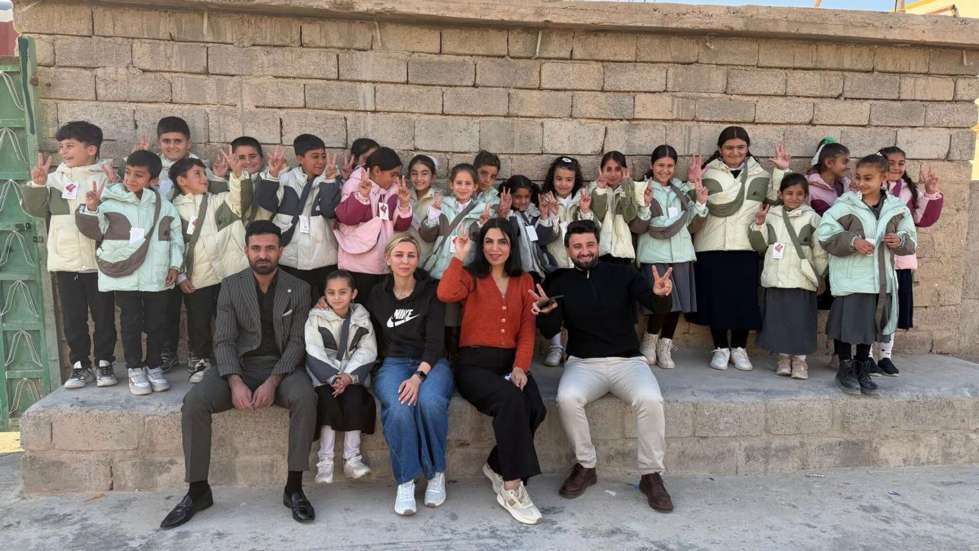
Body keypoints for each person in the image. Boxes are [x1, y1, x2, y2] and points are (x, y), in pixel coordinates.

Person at [161, 221, 317, 529]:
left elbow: (298, 342)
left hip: (282, 368)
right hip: (238, 365)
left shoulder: (298, 288)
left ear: (280, 251)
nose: (263, 254)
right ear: (246, 250)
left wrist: (273, 381)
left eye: (270, 248)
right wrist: (234, 381)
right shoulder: (231, 286)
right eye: (256, 248)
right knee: (194, 402)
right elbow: (223, 340)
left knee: (305, 398)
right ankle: (198, 490)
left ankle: (294, 488)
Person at [535, 219, 676, 513]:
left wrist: (662, 295)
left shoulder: (623, 273)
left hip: (628, 361)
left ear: (597, 245)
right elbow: (549, 328)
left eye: (589, 244)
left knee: (651, 399)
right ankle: (586, 466)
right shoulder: (559, 281)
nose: (584, 251)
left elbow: (654, 304)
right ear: (568, 250)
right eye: (577, 246)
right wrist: (546, 313)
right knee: (567, 397)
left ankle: (651, 475)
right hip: (583, 364)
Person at [437, 219, 546, 526]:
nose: (494, 248)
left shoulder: (524, 280)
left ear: (512, 246)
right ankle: (511, 486)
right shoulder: (471, 275)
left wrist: (520, 366)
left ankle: (497, 464)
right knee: (511, 400)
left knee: (535, 407)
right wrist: (458, 257)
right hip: (474, 364)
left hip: (510, 362)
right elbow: (446, 293)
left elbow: (527, 328)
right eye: (488, 241)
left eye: (502, 242)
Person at [74, 151, 184, 396]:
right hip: (124, 275)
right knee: (130, 323)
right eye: (128, 173)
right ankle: (134, 368)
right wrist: (91, 208)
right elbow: (94, 231)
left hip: (156, 275)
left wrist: (175, 266)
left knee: (157, 323)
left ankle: (154, 366)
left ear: (153, 180)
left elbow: (176, 239)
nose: (131, 179)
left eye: (139, 175)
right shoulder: (109, 202)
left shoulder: (164, 206)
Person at [23, 121, 117, 389]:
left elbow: (116, 216)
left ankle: (104, 362)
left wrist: (114, 187)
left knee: (104, 317)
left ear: (91, 149)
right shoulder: (54, 179)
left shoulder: (105, 177)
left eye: (70, 146)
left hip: (99, 263)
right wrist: (37, 184)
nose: (63, 151)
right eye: (61, 146)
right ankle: (79, 365)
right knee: (73, 319)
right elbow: (35, 210)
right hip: (66, 263)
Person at [689, 126, 790, 371]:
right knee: (716, 299)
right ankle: (720, 347)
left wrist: (781, 171)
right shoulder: (708, 172)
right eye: (729, 148)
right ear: (720, 149)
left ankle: (740, 348)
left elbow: (776, 199)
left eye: (740, 147)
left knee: (744, 300)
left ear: (747, 148)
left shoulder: (760, 173)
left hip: (745, 245)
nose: (735, 152)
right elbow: (692, 206)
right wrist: (693, 182)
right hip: (711, 244)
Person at [367, 234, 454, 516]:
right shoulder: (377, 294)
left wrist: (418, 377)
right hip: (393, 363)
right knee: (399, 407)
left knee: (430, 402)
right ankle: (406, 480)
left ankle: (436, 473)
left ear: (418, 260)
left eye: (411, 255)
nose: (405, 261)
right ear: (388, 259)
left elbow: (435, 342)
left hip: (431, 363)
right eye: (399, 255)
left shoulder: (431, 291)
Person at [816, 155, 916, 396]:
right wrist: (853, 242)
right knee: (846, 324)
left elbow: (911, 240)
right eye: (858, 177)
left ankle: (862, 367)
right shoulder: (845, 205)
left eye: (868, 178)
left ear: (884, 178)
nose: (861, 183)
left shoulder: (897, 209)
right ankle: (844, 367)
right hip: (851, 278)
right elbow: (825, 233)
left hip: (880, 280)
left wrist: (899, 240)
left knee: (870, 325)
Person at [135, 116, 226, 373]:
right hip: (161, 248)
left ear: (188, 143)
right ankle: (167, 352)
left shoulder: (201, 169)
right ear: (159, 142)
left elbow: (217, 199)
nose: (172, 146)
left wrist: (218, 177)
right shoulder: (153, 167)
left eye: (178, 141)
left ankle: (199, 354)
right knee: (165, 306)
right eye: (166, 141)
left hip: (195, 251)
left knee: (198, 308)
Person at [171, 151, 248, 383]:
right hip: (197, 276)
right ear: (182, 180)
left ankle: (235, 359)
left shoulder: (219, 200)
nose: (204, 178)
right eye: (197, 174)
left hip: (229, 273)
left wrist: (237, 175)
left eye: (205, 173)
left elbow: (241, 200)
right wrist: (180, 276)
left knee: (231, 319)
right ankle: (201, 360)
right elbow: (172, 244)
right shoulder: (173, 208)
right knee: (198, 320)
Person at [630, 145, 708, 369]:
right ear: (652, 165)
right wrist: (645, 206)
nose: (665, 170)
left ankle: (665, 345)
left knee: (677, 303)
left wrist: (700, 203)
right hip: (654, 253)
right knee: (660, 302)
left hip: (681, 253)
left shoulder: (681, 190)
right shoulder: (642, 189)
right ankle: (649, 341)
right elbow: (637, 227)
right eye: (660, 165)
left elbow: (691, 224)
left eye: (670, 166)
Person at [749, 173, 828, 380]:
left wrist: (819, 273)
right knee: (779, 320)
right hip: (776, 275)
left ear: (806, 196)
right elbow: (759, 246)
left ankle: (800, 360)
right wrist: (759, 224)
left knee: (801, 320)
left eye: (799, 194)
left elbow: (819, 249)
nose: (794, 197)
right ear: (780, 194)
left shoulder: (812, 218)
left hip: (802, 277)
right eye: (789, 193)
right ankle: (783, 358)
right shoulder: (771, 216)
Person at [875, 146, 944, 376]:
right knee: (872, 308)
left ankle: (885, 356)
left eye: (901, 163)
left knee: (893, 311)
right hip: (874, 260)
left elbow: (922, 219)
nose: (896, 167)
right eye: (891, 163)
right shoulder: (871, 187)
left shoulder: (908, 191)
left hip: (900, 261)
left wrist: (930, 193)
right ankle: (866, 357)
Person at [305, 270, 377, 484]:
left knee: (355, 400)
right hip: (324, 376)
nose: (337, 297)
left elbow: (367, 350)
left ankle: (352, 459)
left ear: (353, 294)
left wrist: (348, 376)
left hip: (351, 375)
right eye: (331, 292)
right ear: (324, 294)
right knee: (328, 402)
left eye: (343, 292)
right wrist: (333, 377)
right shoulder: (316, 318)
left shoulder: (362, 318)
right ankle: (325, 461)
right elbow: (314, 349)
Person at [256, 134, 342, 300]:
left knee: (322, 304)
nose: (321, 161)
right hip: (290, 257)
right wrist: (272, 175)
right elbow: (267, 203)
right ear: (300, 159)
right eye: (315, 157)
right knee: (291, 303)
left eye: (323, 156)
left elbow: (328, 210)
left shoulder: (331, 179)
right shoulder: (285, 179)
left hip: (322, 257)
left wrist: (330, 181)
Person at [334, 147, 413, 303]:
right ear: (377, 171)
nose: (395, 179)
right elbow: (347, 218)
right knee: (360, 309)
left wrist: (404, 204)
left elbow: (401, 226)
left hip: (383, 264)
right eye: (393, 174)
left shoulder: (393, 190)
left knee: (379, 309)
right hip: (358, 264)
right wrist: (362, 195)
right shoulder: (354, 184)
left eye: (397, 175)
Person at [540, 156, 594, 367]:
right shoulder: (545, 200)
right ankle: (555, 347)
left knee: (578, 306)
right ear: (552, 179)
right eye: (559, 179)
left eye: (569, 179)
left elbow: (591, 230)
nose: (563, 184)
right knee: (555, 305)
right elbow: (544, 237)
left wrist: (585, 211)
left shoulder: (582, 199)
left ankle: (575, 347)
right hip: (557, 264)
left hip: (578, 264)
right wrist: (552, 216)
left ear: (575, 180)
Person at [589, 151, 639, 263]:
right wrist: (601, 189)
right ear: (601, 170)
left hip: (623, 251)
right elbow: (598, 216)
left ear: (624, 171)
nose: (613, 174)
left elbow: (629, 216)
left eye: (617, 169)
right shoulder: (594, 190)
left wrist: (626, 187)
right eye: (608, 169)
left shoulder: (629, 188)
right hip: (601, 250)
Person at [406, 154, 440, 263]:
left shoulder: (438, 201)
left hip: (425, 260)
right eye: (414, 173)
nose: (419, 178)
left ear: (433, 178)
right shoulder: (403, 196)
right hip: (403, 258)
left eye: (424, 174)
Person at [229, 136, 271, 223]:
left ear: (262, 158)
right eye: (241, 158)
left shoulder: (271, 180)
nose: (248, 161)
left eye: (253, 156)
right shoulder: (228, 181)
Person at [807, 138, 851, 216]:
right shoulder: (810, 190)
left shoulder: (846, 185)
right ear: (829, 163)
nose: (848, 167)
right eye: (844, 162)